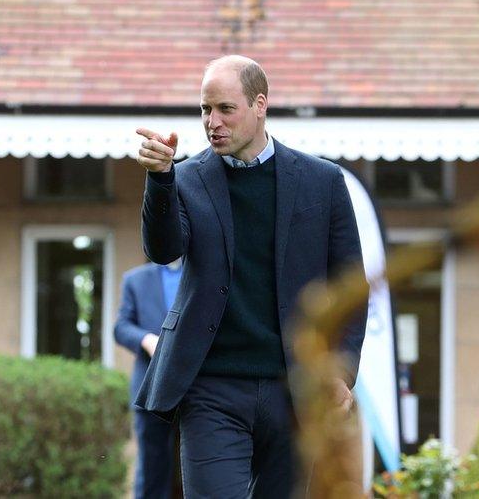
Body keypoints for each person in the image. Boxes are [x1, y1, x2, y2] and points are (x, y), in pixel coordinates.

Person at [132, 55, 366, 498]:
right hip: (210, 387)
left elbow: (351, 286)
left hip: (295, 391)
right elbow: (163, 251)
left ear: (260, 105)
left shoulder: (323, 181)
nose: (211, 122)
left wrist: (343, 372)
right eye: (205, 109)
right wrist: (159, 180)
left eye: (225, 108)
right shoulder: (184, 179)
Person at [114, 258, 183, 499]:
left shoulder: (206, 273)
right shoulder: (136, 279)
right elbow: (121, 327)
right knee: (153, 469)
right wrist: (145, 339)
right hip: (150, 388)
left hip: (200, 389)